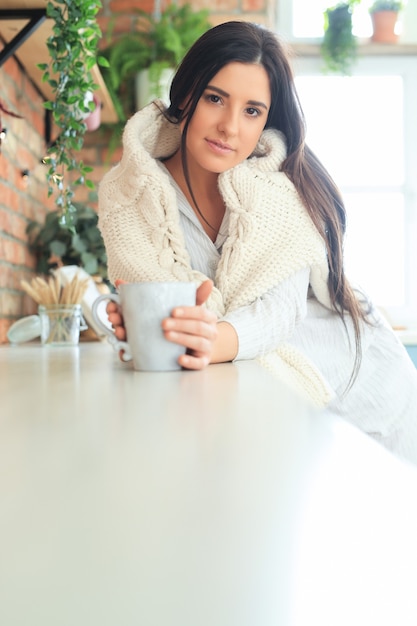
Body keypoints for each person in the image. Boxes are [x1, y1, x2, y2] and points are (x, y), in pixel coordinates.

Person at [98, 20, 417, 464]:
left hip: (364, 383)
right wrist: (147, 321)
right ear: (186, 93)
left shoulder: (280, 190)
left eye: (252, 111)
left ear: (268, 119)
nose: (230, 127)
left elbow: (278, 311)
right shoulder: (126, 197)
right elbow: (161, 308)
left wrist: (207, 337)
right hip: (266, 398)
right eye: (215, 98)